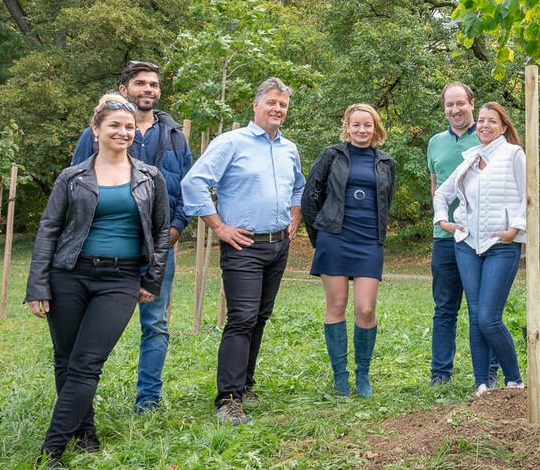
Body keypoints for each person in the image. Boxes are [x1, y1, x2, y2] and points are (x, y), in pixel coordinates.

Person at [26, 94, 170, 470]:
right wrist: (38, 285)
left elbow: (159, 233)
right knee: (67, 358)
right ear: (96, 130)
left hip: (120, 279)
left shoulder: (150, 178)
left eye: (128, 127)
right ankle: (85, 431)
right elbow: (48, 230)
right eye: (114, 126)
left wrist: (151, 280)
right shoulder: (72, 177)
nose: (123, 132)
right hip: (69, 274)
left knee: (87, 362)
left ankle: (52, 449)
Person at [70, 60, 193, 414]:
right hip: (105, 248)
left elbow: (186, 188)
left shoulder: (173, 136)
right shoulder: (99, 131)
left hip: (158, 247)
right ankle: (82, 401)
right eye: (141, 83)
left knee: (156, 323)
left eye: (154, 84)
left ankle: (148, 400)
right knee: (89, 327)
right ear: (124, 89)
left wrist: (175, 228)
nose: (148, 90)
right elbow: (75, 182)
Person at [181, 77, 304, 426]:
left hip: (278, 245)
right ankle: (228, 398)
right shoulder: (230, 143)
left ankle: (246, 383)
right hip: (243, 247)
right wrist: (219, 227)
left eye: (283, 105)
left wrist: (295, 217)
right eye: (272, 103)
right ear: (256, 105)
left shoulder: (288, 148)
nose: (277, 109)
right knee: (242, 319)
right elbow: (194, 183)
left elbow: (299, 186)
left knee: (260, 318)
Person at [302, 103, 396, 398]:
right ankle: (341, 377)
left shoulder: (386, 162)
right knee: (336, 306)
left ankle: (363, 375)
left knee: (366, 310)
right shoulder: (332, 155)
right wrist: (321, 236)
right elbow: (310, 197)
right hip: (334, 239)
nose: (361, 130)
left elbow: (386, 202)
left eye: (367, 125)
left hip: (369, 241)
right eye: (356, 125)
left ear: (375, 128)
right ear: (347, 127)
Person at [432, 101, 526, 395]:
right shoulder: (470, 158)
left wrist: (515, 229)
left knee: (489, 317)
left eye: (492, 121)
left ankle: (514, 380)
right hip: (467, 244)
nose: (485, 125)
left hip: (500, 245)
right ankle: (482, 384)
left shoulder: (513, 154)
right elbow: (442, 194)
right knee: (475, 316)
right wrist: (442, 220)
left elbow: (527, 195)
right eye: (482, 121)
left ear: (503, 127)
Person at [426, 82, 498, 388]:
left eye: (460, 104)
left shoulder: (488, 138)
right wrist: (441, 221)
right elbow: (435, 186)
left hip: (479, 238)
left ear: (472, 103)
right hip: (445, 240)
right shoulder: (435, 143)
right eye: (449, 105)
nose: (455, 110)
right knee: (445, 308)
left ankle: (490, 372)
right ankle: (440, 375)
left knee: (483, 308)